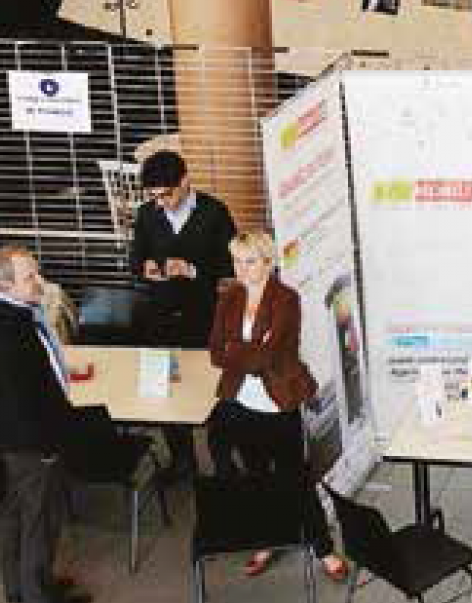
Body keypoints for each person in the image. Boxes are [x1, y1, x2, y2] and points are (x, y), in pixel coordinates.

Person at [207, 231, 347, 580]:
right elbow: (215, 352)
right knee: (258, 477)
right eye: (237, 261)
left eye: (250, 261)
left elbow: (265, 358)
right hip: (241, 402)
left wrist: (237, 348)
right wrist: (248, 349)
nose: (242, 269)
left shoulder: (286, 300)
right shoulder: (229, 298)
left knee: (296, 479)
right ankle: (268, 539)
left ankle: (323, 548)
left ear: (268, 263)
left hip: (277, 403)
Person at [0, 246, 91, 603]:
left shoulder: (8, 314)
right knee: (40, 519)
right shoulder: (9, 328)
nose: (39, 283)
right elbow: (20, 397)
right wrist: (44, 447)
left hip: (14, 437)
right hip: (32, 441)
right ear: (5, 283)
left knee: (18, 511)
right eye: (30, 278)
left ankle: (18, 586)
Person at [129, 150, 236, 475]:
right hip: (161, 318)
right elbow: (137, 258)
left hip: (204, 318)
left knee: (213, 391)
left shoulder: (215, 213)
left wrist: (192, 271)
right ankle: (181, 459)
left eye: (167, 193)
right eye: (155, 196)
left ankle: (222, 459)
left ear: (185, 181)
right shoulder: (148, 215)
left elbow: (230, 268)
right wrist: (144, 267)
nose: (162, 202)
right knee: (167, 392)